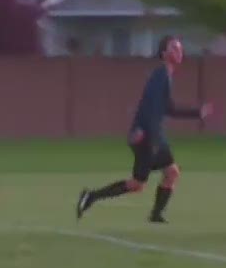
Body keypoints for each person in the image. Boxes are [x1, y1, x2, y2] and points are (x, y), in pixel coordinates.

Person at [75, 36, 211, 224]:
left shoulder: (165, 75)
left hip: (152, 135)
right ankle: (91, 196)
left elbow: (169, 108)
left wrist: (197, 113)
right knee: (139, 184)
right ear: (164, 54)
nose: (179, 52)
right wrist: (143, 132)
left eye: (180, 48)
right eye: (174, 48)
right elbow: (149, 107)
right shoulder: (161, 75)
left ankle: (155, 214)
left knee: (169, 173)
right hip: (147, 136)